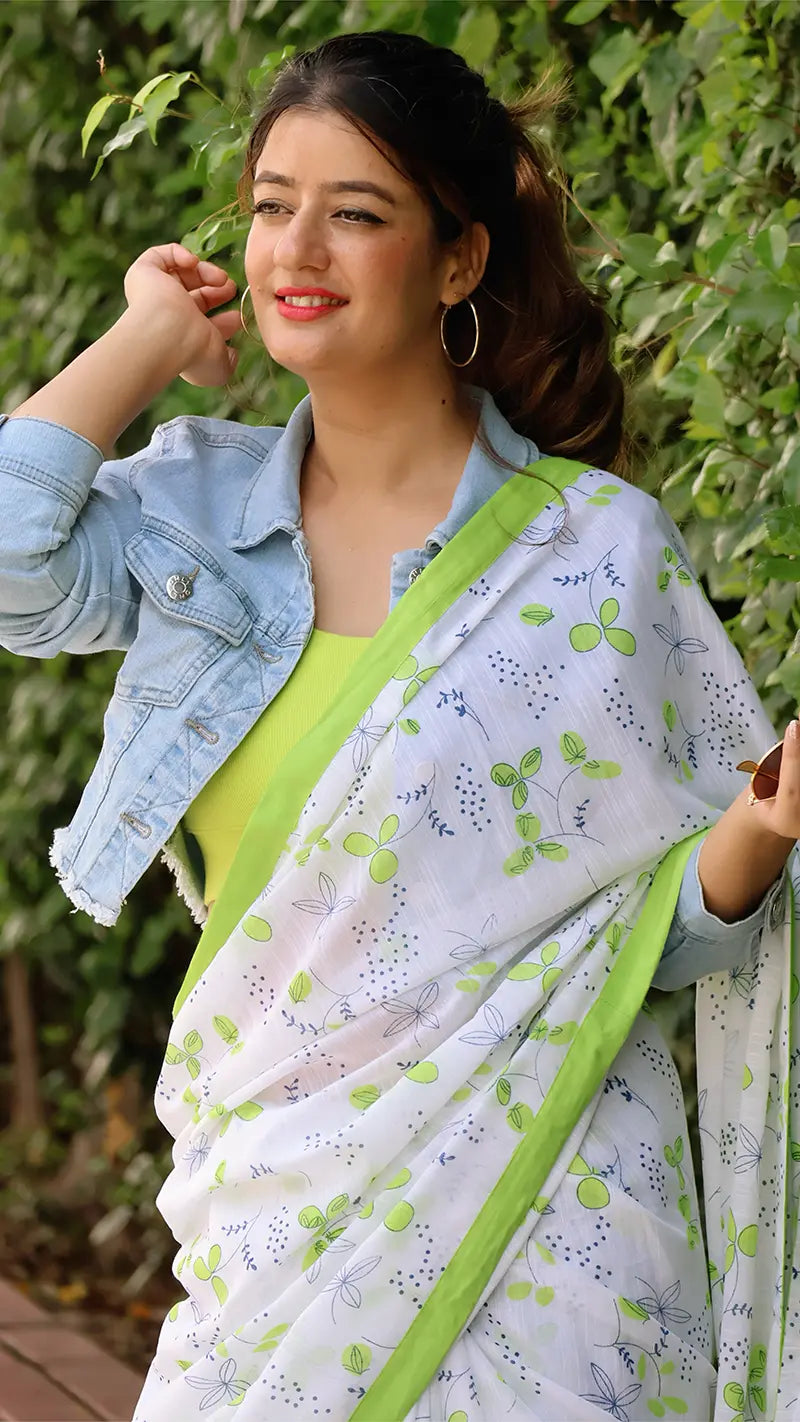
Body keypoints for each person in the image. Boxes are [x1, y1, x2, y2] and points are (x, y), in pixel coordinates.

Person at [0, 29, 798, 1422]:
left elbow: (646, 939)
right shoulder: (194, 514)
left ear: (459, 260)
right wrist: (145, 336)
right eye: (272, 207)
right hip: (270, 1221)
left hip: (548, 1235)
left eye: (357, 213)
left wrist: (762, 827)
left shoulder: (593, 556)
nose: (297, 249)